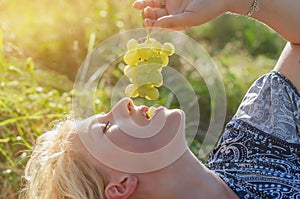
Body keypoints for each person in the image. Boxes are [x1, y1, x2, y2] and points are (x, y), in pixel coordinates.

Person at [21, 0, 300, 198]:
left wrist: (228, 1)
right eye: (105, 128)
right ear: (120, 186)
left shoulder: (249, 148)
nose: (122, 104)